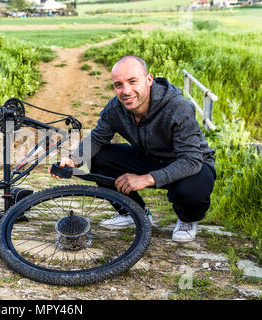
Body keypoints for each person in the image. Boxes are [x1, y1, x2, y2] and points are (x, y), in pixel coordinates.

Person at [49, 56, 216, 243]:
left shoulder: (178, 107)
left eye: (132, 81)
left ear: (149, 80)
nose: (126, 91)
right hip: (148, 157)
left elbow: (191, 160)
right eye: (118, 85)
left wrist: (146, 179)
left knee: (192, 190)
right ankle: (133, 211)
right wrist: (72, 160)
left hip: (190, 165)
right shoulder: (115, 108)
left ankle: (187, 219)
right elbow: (97, 138)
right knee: (98, 158)